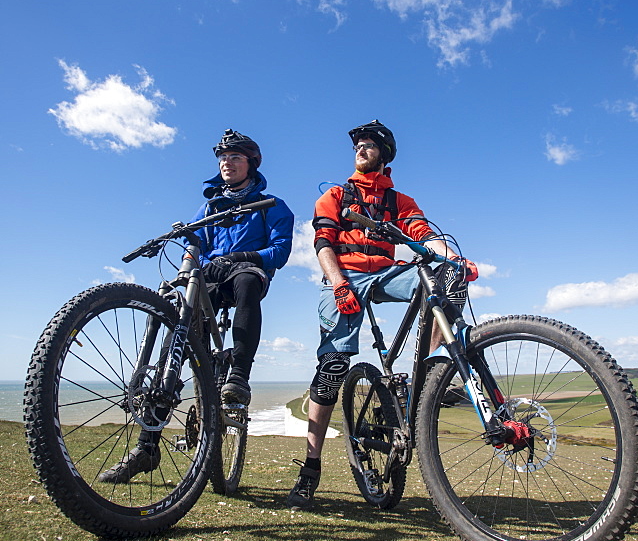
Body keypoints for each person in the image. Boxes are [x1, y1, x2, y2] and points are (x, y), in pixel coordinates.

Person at [286, 120, 476, 509]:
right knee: (333, 366)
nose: (361, 147)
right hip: (346, 274)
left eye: (370, 144)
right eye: (359, 143)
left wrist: (453, 258)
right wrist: (338, 283)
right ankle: (310, 467)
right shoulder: (336, 195)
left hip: (386, 273)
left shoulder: (400, 200)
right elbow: (323, 244)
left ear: (384, 155)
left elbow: (424, 235)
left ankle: (435, 371)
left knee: (448, 277)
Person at [99, 129, 294, 484]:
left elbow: (279, 252)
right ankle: (147, 447)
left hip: (246, 272)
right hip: (210, 279)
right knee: (178, 314)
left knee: (248, 280)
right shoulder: (209, 208)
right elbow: (195, 243)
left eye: (235, 157)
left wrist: (240, 256)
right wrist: (186, 268)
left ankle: (238, 376)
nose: (226, 163)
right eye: (222, 157)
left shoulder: (273, 206)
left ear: (251, 163)